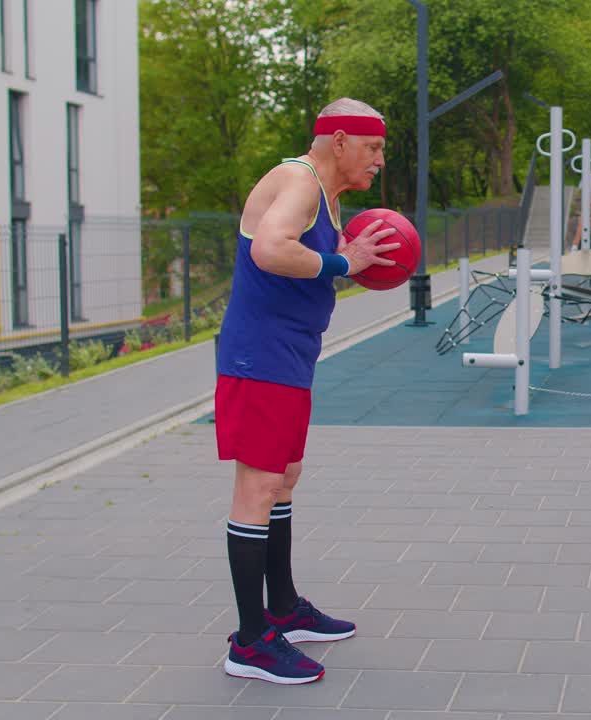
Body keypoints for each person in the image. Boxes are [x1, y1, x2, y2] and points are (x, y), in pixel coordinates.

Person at [214, 97, 401, 685]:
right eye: (372, 149)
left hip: (289, 357)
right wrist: (342, 265)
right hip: (259, 356)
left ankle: (285, 608)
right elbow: (272, 250)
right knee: (259, 483)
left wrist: (349, 262)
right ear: (339, 140)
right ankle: (250, 642)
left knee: (285, 475)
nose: (378, 162)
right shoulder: (298, 179)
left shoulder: (327, 195)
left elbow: (314, 261)